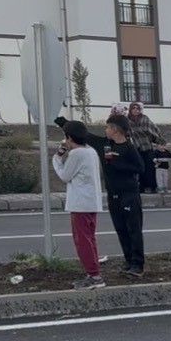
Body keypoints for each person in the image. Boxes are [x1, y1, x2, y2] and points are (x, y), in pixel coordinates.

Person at [52, 121, 106, 290]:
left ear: (69, 137)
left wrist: (57, 158)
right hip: (91, 201)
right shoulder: (90, 151)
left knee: (82, 240)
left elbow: (65, 176)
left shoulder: (77, 154)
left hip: (80, 203)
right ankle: (93, 272)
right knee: (89, 239)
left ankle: (94, 276)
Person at [99, 114, 147, 277]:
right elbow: (85, 136)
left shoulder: (129, 148)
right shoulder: (106, 145)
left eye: (108, 127)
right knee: (121, 229)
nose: (105, 130)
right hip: (113, 194)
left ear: (115, 129)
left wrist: (118, 165)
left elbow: (140, 168)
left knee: (133, 229)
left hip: (129, 194)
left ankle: (137, 264)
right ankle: (128, 260)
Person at [127, 102, 165, 194]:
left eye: (137, 108)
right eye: (133, 108)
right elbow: (126, 134)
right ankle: (142, 187)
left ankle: (152, 187)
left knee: (150, 168)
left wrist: (160, 140)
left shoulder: (145, 119)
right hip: (136, 148)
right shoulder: (127, 121)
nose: (135, 110)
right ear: (130, 110)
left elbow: (153, 129)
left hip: (148, 147)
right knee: (140, 169)